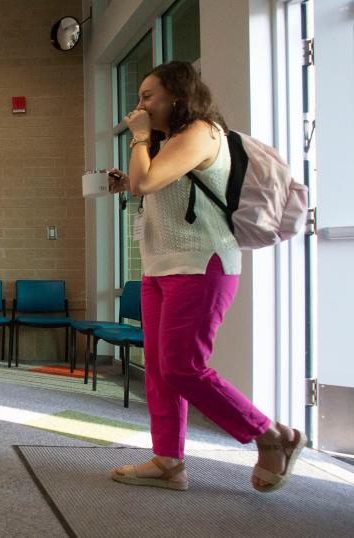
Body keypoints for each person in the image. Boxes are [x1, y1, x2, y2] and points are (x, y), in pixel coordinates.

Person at [107, 61, 304, 492]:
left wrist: (139, 139)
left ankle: (273, 435)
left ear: (176, 96)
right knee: (159, 368)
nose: (138, 106)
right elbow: (147, 185)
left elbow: (149, 181)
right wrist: (128, 180)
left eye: (147, 96)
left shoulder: (200, 131)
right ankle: (168, 462)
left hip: (200, 265)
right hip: (163, 267)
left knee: (182, 366)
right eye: (139, 98)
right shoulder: (170, 140)